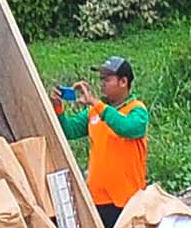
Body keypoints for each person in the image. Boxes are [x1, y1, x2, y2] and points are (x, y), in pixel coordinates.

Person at [58, 55, 150, 215]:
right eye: (101, 79)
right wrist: (57, 107)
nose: (102, 84)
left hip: (128, 201)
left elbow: (126, 128)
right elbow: (69, 130)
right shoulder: (94, 112)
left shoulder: (137, 110)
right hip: (97, 199)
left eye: (107, 80)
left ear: (123, 82)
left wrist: (96, 103)